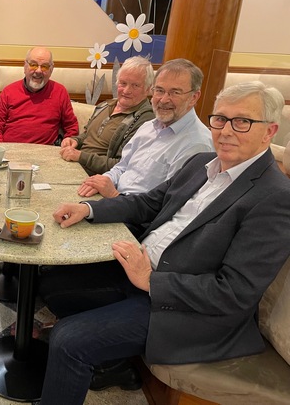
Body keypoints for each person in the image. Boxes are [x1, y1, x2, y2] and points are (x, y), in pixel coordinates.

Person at [39, 81, 290, 405]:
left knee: (68, 340)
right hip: (142, 272)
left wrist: (151, 281)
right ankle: (113, 362)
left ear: (269, 131)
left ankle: (87, 361)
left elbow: (235, 292)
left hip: (190, 309)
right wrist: (88, 209)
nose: (226, 131)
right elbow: (148, 203)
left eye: (242, 121)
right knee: (53, 282)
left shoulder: (275, 197)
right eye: (220, 119)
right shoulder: (201, 162)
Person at [77, 58, 213, 198]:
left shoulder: (198, 145)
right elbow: (122, 167)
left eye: (175, 92)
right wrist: (103, 180)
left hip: (130, 209)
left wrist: (114, 196)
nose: (164, 100)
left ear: (194, 97)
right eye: (159, 90)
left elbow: (170, 203)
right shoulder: (149, 127)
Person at [60, 56, 155, 175]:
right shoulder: (105, 105)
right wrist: (75, 141)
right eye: (123, 83)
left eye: (135, 85)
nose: (126, 91)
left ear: (148, 89)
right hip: (74, 166)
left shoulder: (145, 120)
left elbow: (122, 166)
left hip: (95, 177)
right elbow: (88, 134)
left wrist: (81, 156)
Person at [0, 46, 78, 145]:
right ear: (25, 67)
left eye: (44, 66)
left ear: (51, 70)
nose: (38, 71)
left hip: (44, 151)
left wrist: (68, 145)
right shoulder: (8, 91)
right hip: (10, 150)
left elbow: (71, 127)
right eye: (33, 65)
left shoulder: (60, 92)